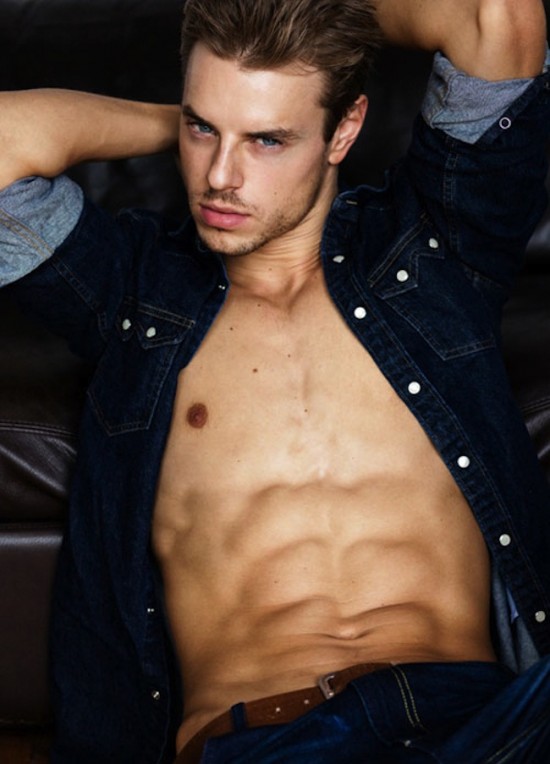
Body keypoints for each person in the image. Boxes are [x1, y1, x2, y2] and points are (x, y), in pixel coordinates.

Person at [1, 0, 550, 761]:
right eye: (204, 131)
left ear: (344, 130)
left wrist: (321, 12)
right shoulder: (135, 294)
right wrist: (190, 122)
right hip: (268, 740)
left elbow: (497, 16)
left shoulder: (435, 255)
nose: (220, 177)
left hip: (480, 729)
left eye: (268, 140)